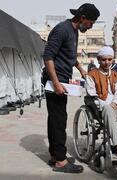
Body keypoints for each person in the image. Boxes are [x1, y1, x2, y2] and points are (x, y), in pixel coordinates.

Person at [42, 3, 100, 173]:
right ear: (82, 18)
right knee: (59, 119)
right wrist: (57, 84)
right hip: (54, 80)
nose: (91, 27)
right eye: (91, 23)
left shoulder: (73, 31)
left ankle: (56, 155)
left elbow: (70, 55)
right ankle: (60, 161)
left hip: (62, 79)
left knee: (56, 117)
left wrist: (81, 69)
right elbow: (48, 57)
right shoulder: (62, 30)